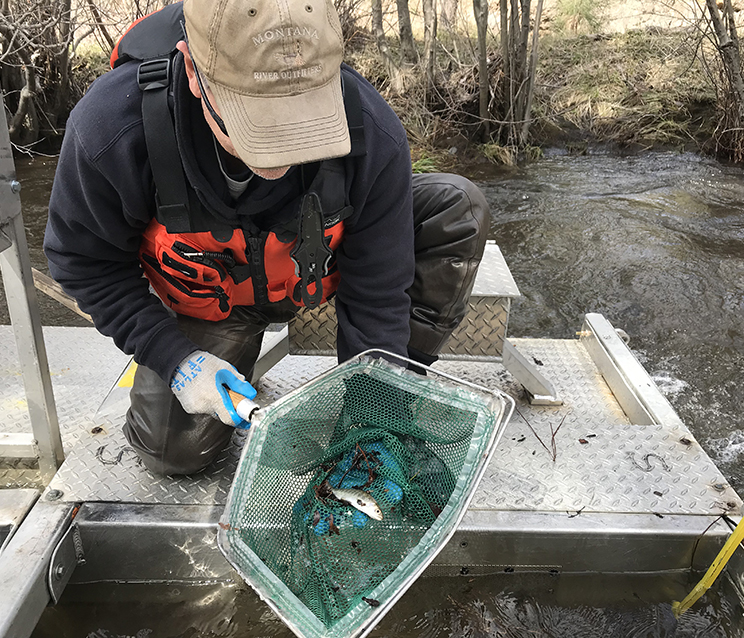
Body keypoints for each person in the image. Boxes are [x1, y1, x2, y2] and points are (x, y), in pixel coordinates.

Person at [44, 0, 490, 476]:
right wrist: (176, 359)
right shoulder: (110, 129)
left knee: (456, 208)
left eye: (302, 118)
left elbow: (379, 292)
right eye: (257, 120)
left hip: (319, 265)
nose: (282, 149)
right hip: (212, 303)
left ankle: (394, 392)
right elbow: (84, 263)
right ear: (193, 72)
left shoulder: (371, 125)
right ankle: (228, 352)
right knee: (171, 453)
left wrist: (377, 409)